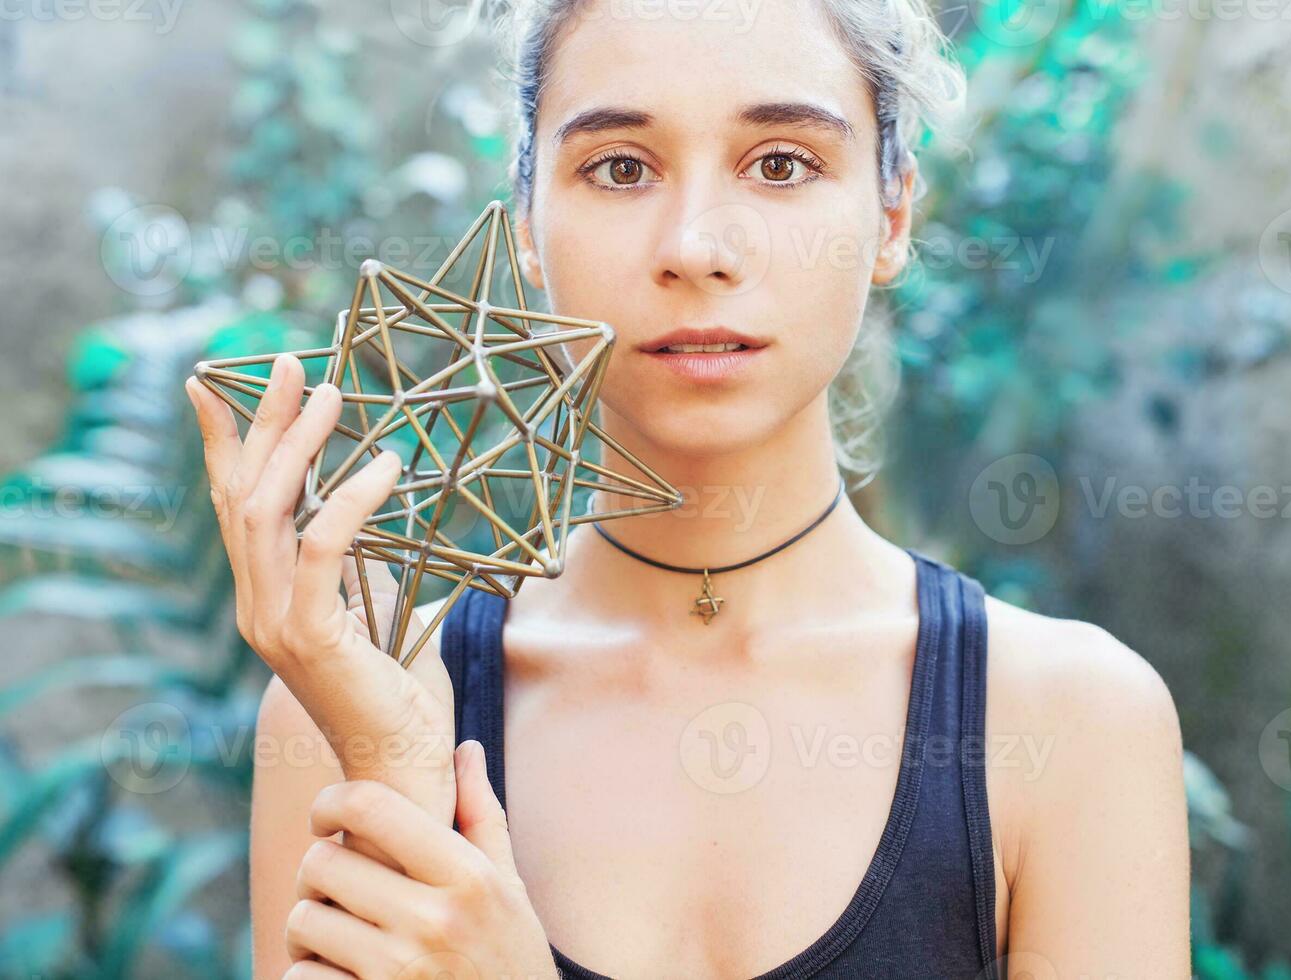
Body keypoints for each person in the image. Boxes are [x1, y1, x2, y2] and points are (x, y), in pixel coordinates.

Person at [184, 1, 1191, 976]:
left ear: (890, 215)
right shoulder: (354, 707)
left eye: (781, 164)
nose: (696, 250)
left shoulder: (1072, 724)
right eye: (620, 168)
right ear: (528, 225)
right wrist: (398, 773)